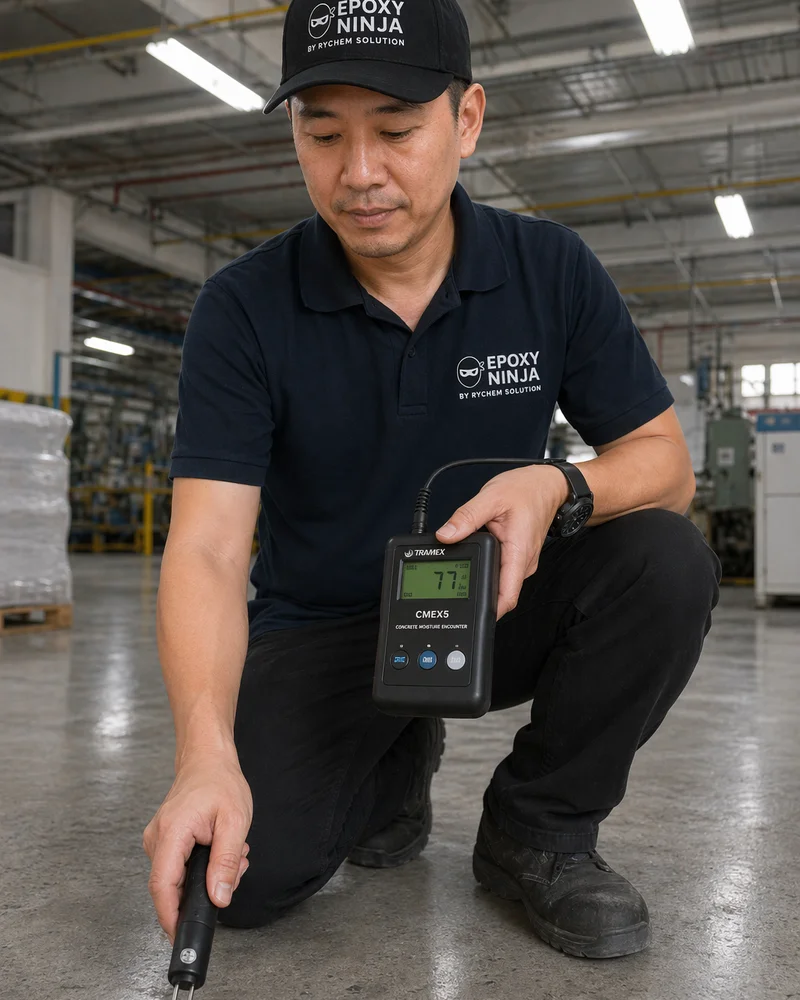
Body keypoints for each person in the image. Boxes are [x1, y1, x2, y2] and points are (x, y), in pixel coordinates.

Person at [143, 0, 721, 961]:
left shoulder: (550, 270)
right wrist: (203, 756)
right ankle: (393, 752)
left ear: (467, 120)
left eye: (398, 131)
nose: (359, 173)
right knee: (240, 881)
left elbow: (666, 466)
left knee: (663, 560)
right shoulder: (243, 308)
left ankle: (538, 831)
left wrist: (559, 487)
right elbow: (206, 546)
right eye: (322, 133)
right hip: (322, 629)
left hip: (490, 604)